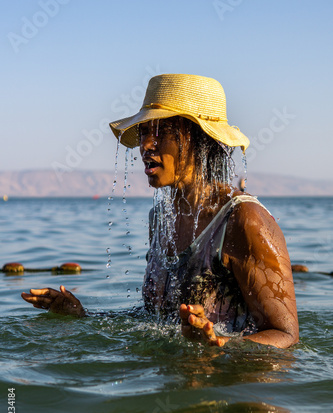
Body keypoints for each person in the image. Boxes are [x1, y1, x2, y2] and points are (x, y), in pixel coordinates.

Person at [21, 74, 299, 349]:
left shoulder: (244, 220)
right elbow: (155, 321)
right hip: (171, 382)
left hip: (230, 387)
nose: (146, 146)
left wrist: (220, 345)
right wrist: (83, 317)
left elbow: (285, 335)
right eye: (144, 132)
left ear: (200, 138)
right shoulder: (161, 218)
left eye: (162, 132)